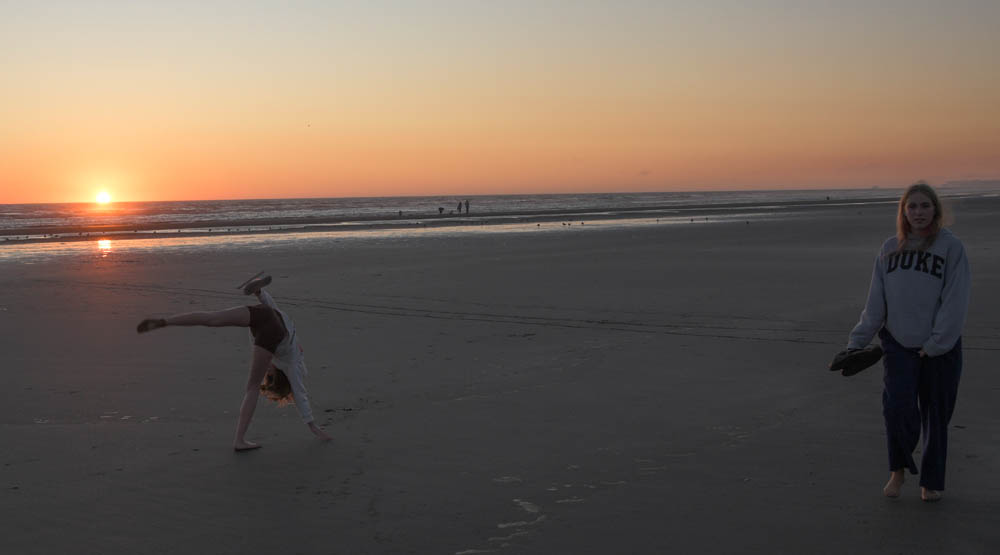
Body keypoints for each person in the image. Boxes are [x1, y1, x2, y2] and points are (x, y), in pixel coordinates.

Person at [844, 182, 970, 501]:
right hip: (898, 344)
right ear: (902, 211)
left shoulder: (951, 248)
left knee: (936, 415)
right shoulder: (889, 249)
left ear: (936, 210)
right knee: (897, 408)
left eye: (924, 205)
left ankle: (930, 481)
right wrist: (856, 342)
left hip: (939, 349)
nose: (918, 212)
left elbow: (955, 300)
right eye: (911, 206)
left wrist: (937, 343)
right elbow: (876, 303)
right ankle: (897, 471)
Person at [136, 275, 332, 451]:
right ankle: (239, 439)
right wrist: (312, 425)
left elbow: (274, 310)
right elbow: (299, 393)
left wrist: (260, 294)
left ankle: (166, 321)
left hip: (264, 313)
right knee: (252, 387)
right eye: (270, 376)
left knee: (212, 318)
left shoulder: (293, 351)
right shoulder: (291, 364)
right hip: (272, 331)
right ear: (278, 377)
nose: (268, 371)